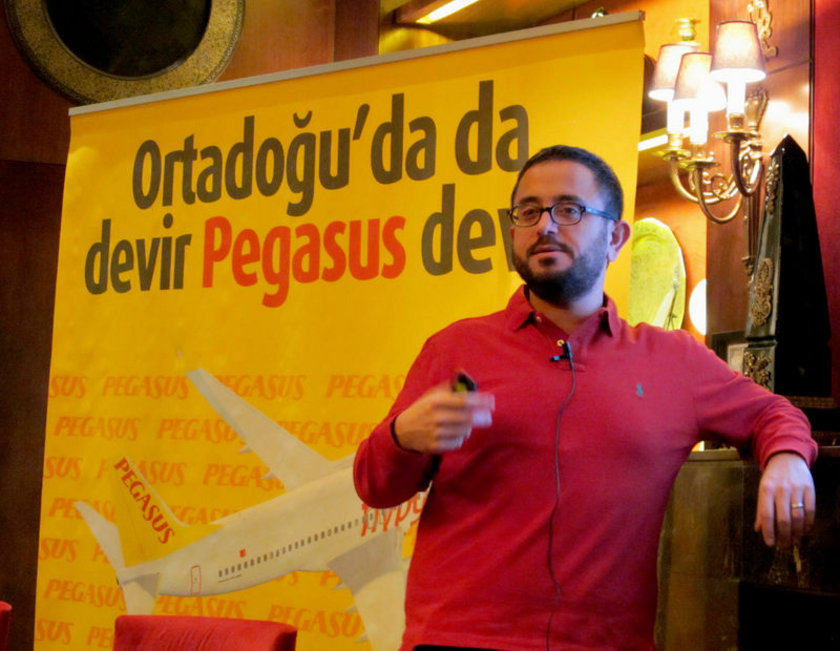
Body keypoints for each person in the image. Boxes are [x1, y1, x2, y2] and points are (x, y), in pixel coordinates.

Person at [353, 145, 817, 651]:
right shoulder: (456, 349)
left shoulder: (672, 359)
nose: (545, 226)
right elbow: (375, 488)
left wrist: (788, 458)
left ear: (616, 237)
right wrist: (401, 437)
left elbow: (773, 413)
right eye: (528, 212)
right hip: (458, 639)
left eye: (569, 210)